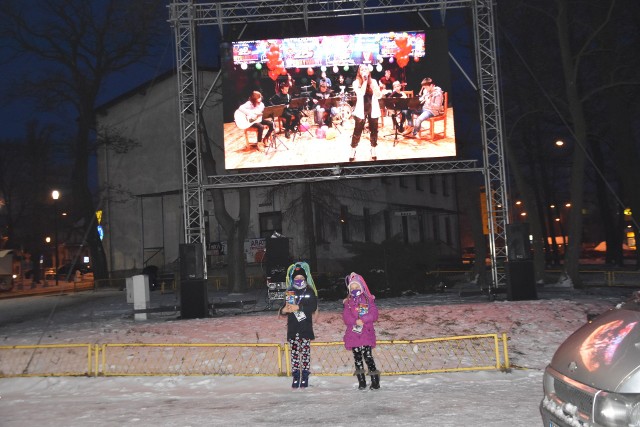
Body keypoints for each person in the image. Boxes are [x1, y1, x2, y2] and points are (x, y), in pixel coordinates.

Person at [278, 261, 318, 389]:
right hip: (293, 328)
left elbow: (312, 306)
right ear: (292, 279)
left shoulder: (310, 290)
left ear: (305, 278)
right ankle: (296, 376)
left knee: (305, 353)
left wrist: (298, 307)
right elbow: (284, 308)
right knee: (294, 354)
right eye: (296, 278)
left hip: (305, 328)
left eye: (301, 278)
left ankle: (305, 375)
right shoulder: (290, 291)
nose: (299, 280)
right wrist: (284, 310)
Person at [342, 272, 380, 390]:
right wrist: (355, 321)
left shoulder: (368, 300)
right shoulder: (348, 303)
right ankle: (361, 381)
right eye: (352, 288)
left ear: (362, 287)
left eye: (356, 286)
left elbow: (374, 314)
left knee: (368, 357)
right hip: (354, 335)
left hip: (366, 334)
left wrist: (364, 319)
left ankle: (375, 381)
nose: (354, 289)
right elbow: (346, 317)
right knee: (357, 358)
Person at [349, 63, 382, 162]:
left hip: (373, 108)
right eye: (362, 70)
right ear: (359, 72)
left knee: (374, 130)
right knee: (357, 132)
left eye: (366, 69)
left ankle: (373, 149)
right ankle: (353, 150)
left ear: (369, 72)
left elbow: (379, 95)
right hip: (361, 110)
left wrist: (374, 87)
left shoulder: (374, 81)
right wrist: (364, 81)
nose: (364, 71)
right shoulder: (356, 82)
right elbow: (361, 93)